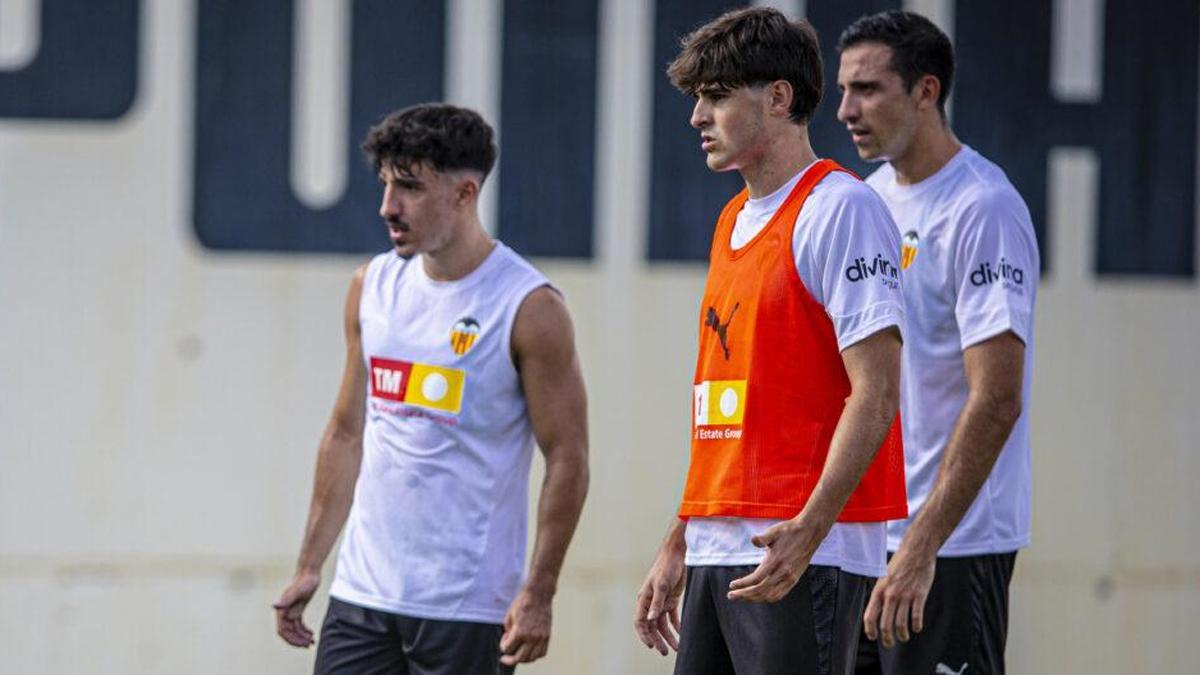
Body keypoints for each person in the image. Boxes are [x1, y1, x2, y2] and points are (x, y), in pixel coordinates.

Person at [633, 8, 909, 674]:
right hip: (717, 547)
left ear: (779, 97)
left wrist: (811, 529)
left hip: (799, 549)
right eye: (698, 98)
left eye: (717, 95)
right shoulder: (732, 217)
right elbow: (726, 408)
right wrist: (681, 537)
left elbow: (876, 388)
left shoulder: (841, 208)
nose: (698, 116)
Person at [272, 103, 589, 674]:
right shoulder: (371, 287)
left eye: (410, 188)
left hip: (469, 610)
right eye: (386, 184)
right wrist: (310, 565)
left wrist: (540, 591)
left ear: (466, 194)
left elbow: (568, 457)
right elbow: (347, 433)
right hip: (362, 598)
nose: (387, 207)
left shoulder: (529, 307)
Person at [835, 10, 1039, 674]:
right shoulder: (867, 202)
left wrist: (922, 544)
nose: (845, 110)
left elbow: (998, 397)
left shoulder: (983, 208)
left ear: (926, 91)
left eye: (867, 89)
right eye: (843, 90)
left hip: (950, 546)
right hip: (869, 541)